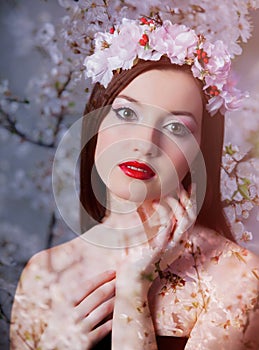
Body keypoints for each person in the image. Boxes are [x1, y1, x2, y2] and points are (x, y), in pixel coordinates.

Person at [10, 17, 259, 350]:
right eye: (127, 114)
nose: (145, 143)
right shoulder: (44, 272)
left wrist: (133, 288)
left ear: (200, 149)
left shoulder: (237, 274)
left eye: (176, 128)